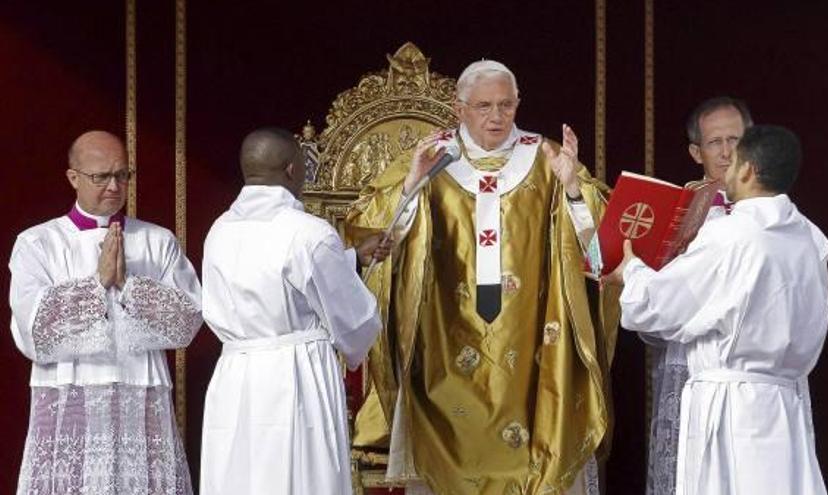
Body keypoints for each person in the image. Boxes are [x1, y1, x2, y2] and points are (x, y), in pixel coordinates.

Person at [345, 60, 619, 494]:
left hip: (532, 340)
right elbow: (369, 238)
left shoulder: (546, 157)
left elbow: (604, 246)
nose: (496, 117)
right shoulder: (429, 158)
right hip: (444, 337)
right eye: (484, 106)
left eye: (506, 105)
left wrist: (571, 189)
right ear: (459, 109)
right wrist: (410, 187)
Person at [607, 125, 828, 494]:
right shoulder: (809, 236)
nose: (727, 168)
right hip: (785, 404)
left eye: (735, 160)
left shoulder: (733, 234)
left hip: (732, 408)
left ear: (748, 170)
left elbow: (664, 303)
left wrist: (630, 269)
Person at [9, 130, 202, 494]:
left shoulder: (157, 241)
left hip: (139, 398)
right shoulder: (38, 243)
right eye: (101, 177)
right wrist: (97, 284)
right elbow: (33, 330)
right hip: (70, 401)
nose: (114, 186)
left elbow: (187, 322)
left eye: (123, 175)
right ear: (74, 178)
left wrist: (129, 285)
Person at [199, 127, 385, 495]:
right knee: (300, 473)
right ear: (291, 170)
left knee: (242, 474)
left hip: (236, 374)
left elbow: (270, 278)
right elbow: (351, 318)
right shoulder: (310, 232)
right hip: (295, 373)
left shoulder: (219, 229)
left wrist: (351, 259)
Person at [644, 97, 753, 495]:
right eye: (714, 142)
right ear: (696, 151)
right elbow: (655, 301)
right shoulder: (680, 213)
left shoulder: (772, 209)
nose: (726, 152)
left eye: (735, 140)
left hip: (751, 369)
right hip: (692, 361)